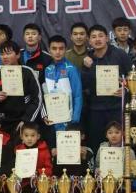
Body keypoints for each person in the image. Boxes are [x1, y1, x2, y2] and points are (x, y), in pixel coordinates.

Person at [81, 25, 131, 153]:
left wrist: (125, 89)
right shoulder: (88, 59)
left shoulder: (120, 55)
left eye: (100, 36)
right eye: (93, 37)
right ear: (89, 41)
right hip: (95, 110)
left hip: (116, 108)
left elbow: (134, 78)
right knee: (96, 144)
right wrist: (87, 68)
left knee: (119, 144)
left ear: (107, 38)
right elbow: (84, 85)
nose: (97, 39)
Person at [0, 41, 42, 135]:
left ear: (18, 55)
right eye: (2, 54)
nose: (5, 57)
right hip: (1, 123)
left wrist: (26, 120)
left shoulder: (27, 72)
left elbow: (37, 99)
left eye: (8, 53)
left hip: (21, 122)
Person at [43, 35, 83, 132]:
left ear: (66, 50)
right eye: (54, 48)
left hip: (69, 121)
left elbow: (78, 96)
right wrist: (46, 115)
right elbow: (45, 95)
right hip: (52, 120)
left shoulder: (71, 69)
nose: (57, 52)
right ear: (49, 50)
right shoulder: (48, 69)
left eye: (61, 48)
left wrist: (75, 120)